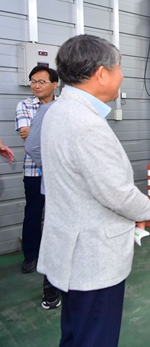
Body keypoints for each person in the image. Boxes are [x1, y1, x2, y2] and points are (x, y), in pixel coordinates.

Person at [37, 34, 150, 346]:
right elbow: (116, 192)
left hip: (71, 248)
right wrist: (146, 209)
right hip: (92, 257)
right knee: (94, 337)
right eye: (119, 68)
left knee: (76, 334)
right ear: (102, 73)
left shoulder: (58, 110)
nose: (122, 75)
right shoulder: (86, 124)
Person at [15, 65, 58, 273]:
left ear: (55, 84)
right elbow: (27, 136)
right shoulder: (24, 105)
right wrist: (51, 131)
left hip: (59, 172)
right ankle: (31, 255)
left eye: (41, 82)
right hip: (33, 170)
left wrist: (36, 130)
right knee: (33, 212)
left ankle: (54, 255)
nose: (36, 86)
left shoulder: (63, 105)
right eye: (33, 81)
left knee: (57, 214)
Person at [24, 100, 61, 310]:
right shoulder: (49, 110)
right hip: (59, 188)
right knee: (56, 235)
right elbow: (32, 146)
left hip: (81, 191)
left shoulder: (95, 110)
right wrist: (55, 168)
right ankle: (51, 288)